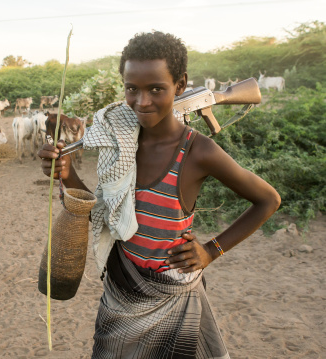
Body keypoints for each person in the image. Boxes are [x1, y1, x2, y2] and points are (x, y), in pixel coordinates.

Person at [38, 31, 280, 359]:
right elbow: (104, 215)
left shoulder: (198, 151)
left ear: (180, 85)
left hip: (175, 299)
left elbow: (268, 200)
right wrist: (67, 174)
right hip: (121, 295)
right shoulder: (119, 145)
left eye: (156, 89)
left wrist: (211, 250)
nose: (142, 101)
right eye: (131, 89)